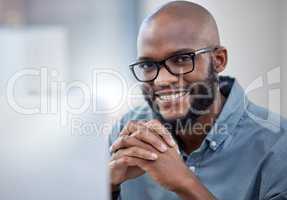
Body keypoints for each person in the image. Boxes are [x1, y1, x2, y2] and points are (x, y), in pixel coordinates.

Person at [108, 1, 287, 199]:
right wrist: (108, 187)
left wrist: (184, 183)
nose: (161, 80)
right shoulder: (124, 135)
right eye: (148, 65)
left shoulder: (278, 145)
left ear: (218, 60)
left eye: (182, 59)